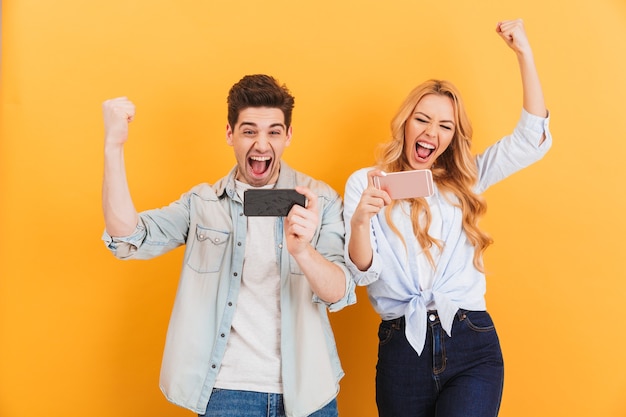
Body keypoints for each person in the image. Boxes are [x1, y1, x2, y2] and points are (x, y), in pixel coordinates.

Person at [101, 74, 355, 417]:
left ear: (288, 135)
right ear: (229, 134)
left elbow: (338, 292)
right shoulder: (203, 203)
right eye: (249, 131)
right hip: (228, 393)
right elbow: (128, 237)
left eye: (273, 132)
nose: (262, 145)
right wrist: (113, 146)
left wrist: (303, 251)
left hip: (308, 392)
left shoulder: (319, 199)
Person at [343, 19, 551, 417]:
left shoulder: (466, 178)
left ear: (453, 136)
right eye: (422, 119)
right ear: (406, 121)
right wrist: (359, 221)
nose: (431, 132)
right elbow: (363, 273)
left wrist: (524, 52)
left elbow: (531, 140)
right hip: (402, 346)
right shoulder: (366, 182)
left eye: (445, 126)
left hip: (470, 340)